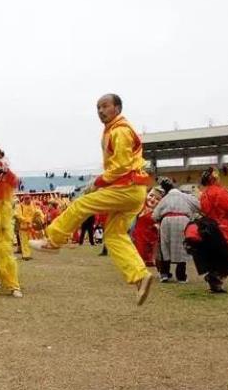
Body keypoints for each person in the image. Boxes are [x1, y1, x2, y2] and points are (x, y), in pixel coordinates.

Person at [31, 94, 153, 305]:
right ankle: (140, 276)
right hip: (131, 190)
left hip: (126, 188)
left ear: (117, 108)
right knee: (114, 235)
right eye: (97, 107)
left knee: (81, 204)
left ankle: (54, 240)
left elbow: (122, 166)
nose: (100, 111)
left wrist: (98, 182)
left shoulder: (120, 131)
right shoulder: (113, 131)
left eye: (105, 106)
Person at [185, 167, 228, 293]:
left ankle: (216, 279)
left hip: (213, 229)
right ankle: (217, 276)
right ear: (214, 178)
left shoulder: (204, 195)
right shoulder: (220, 192)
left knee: (218, 256)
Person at [152, 179, 200, 283]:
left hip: (166, 221)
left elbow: (154, 215)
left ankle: (165, 274)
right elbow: (199, 205)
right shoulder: (186, 197)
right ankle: (181, 276)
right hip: (183, 221)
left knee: (165, 248)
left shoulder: (164, 199)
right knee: (181, 248)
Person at [131, 187, 164, 268]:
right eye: (151, 195)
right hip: (139, 235)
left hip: (152, 236)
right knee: (140, 250)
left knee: (151, 250)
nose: (152, 199)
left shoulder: (159, 211)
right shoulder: (140, 207)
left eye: (157, 199)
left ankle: (150, 260)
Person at [15, 195, 37, 260]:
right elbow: (18, 216)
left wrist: (34, 221)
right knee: (24, 241)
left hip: (30, 227)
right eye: (27, 199)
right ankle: (25, 255)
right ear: (24, 199)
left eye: (29, 198)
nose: (28, 200)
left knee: (29, 241)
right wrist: (27, 220)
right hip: (23, 227)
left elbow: (35, 213)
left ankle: (28, 254)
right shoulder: (20, 206)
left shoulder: (32, 205)